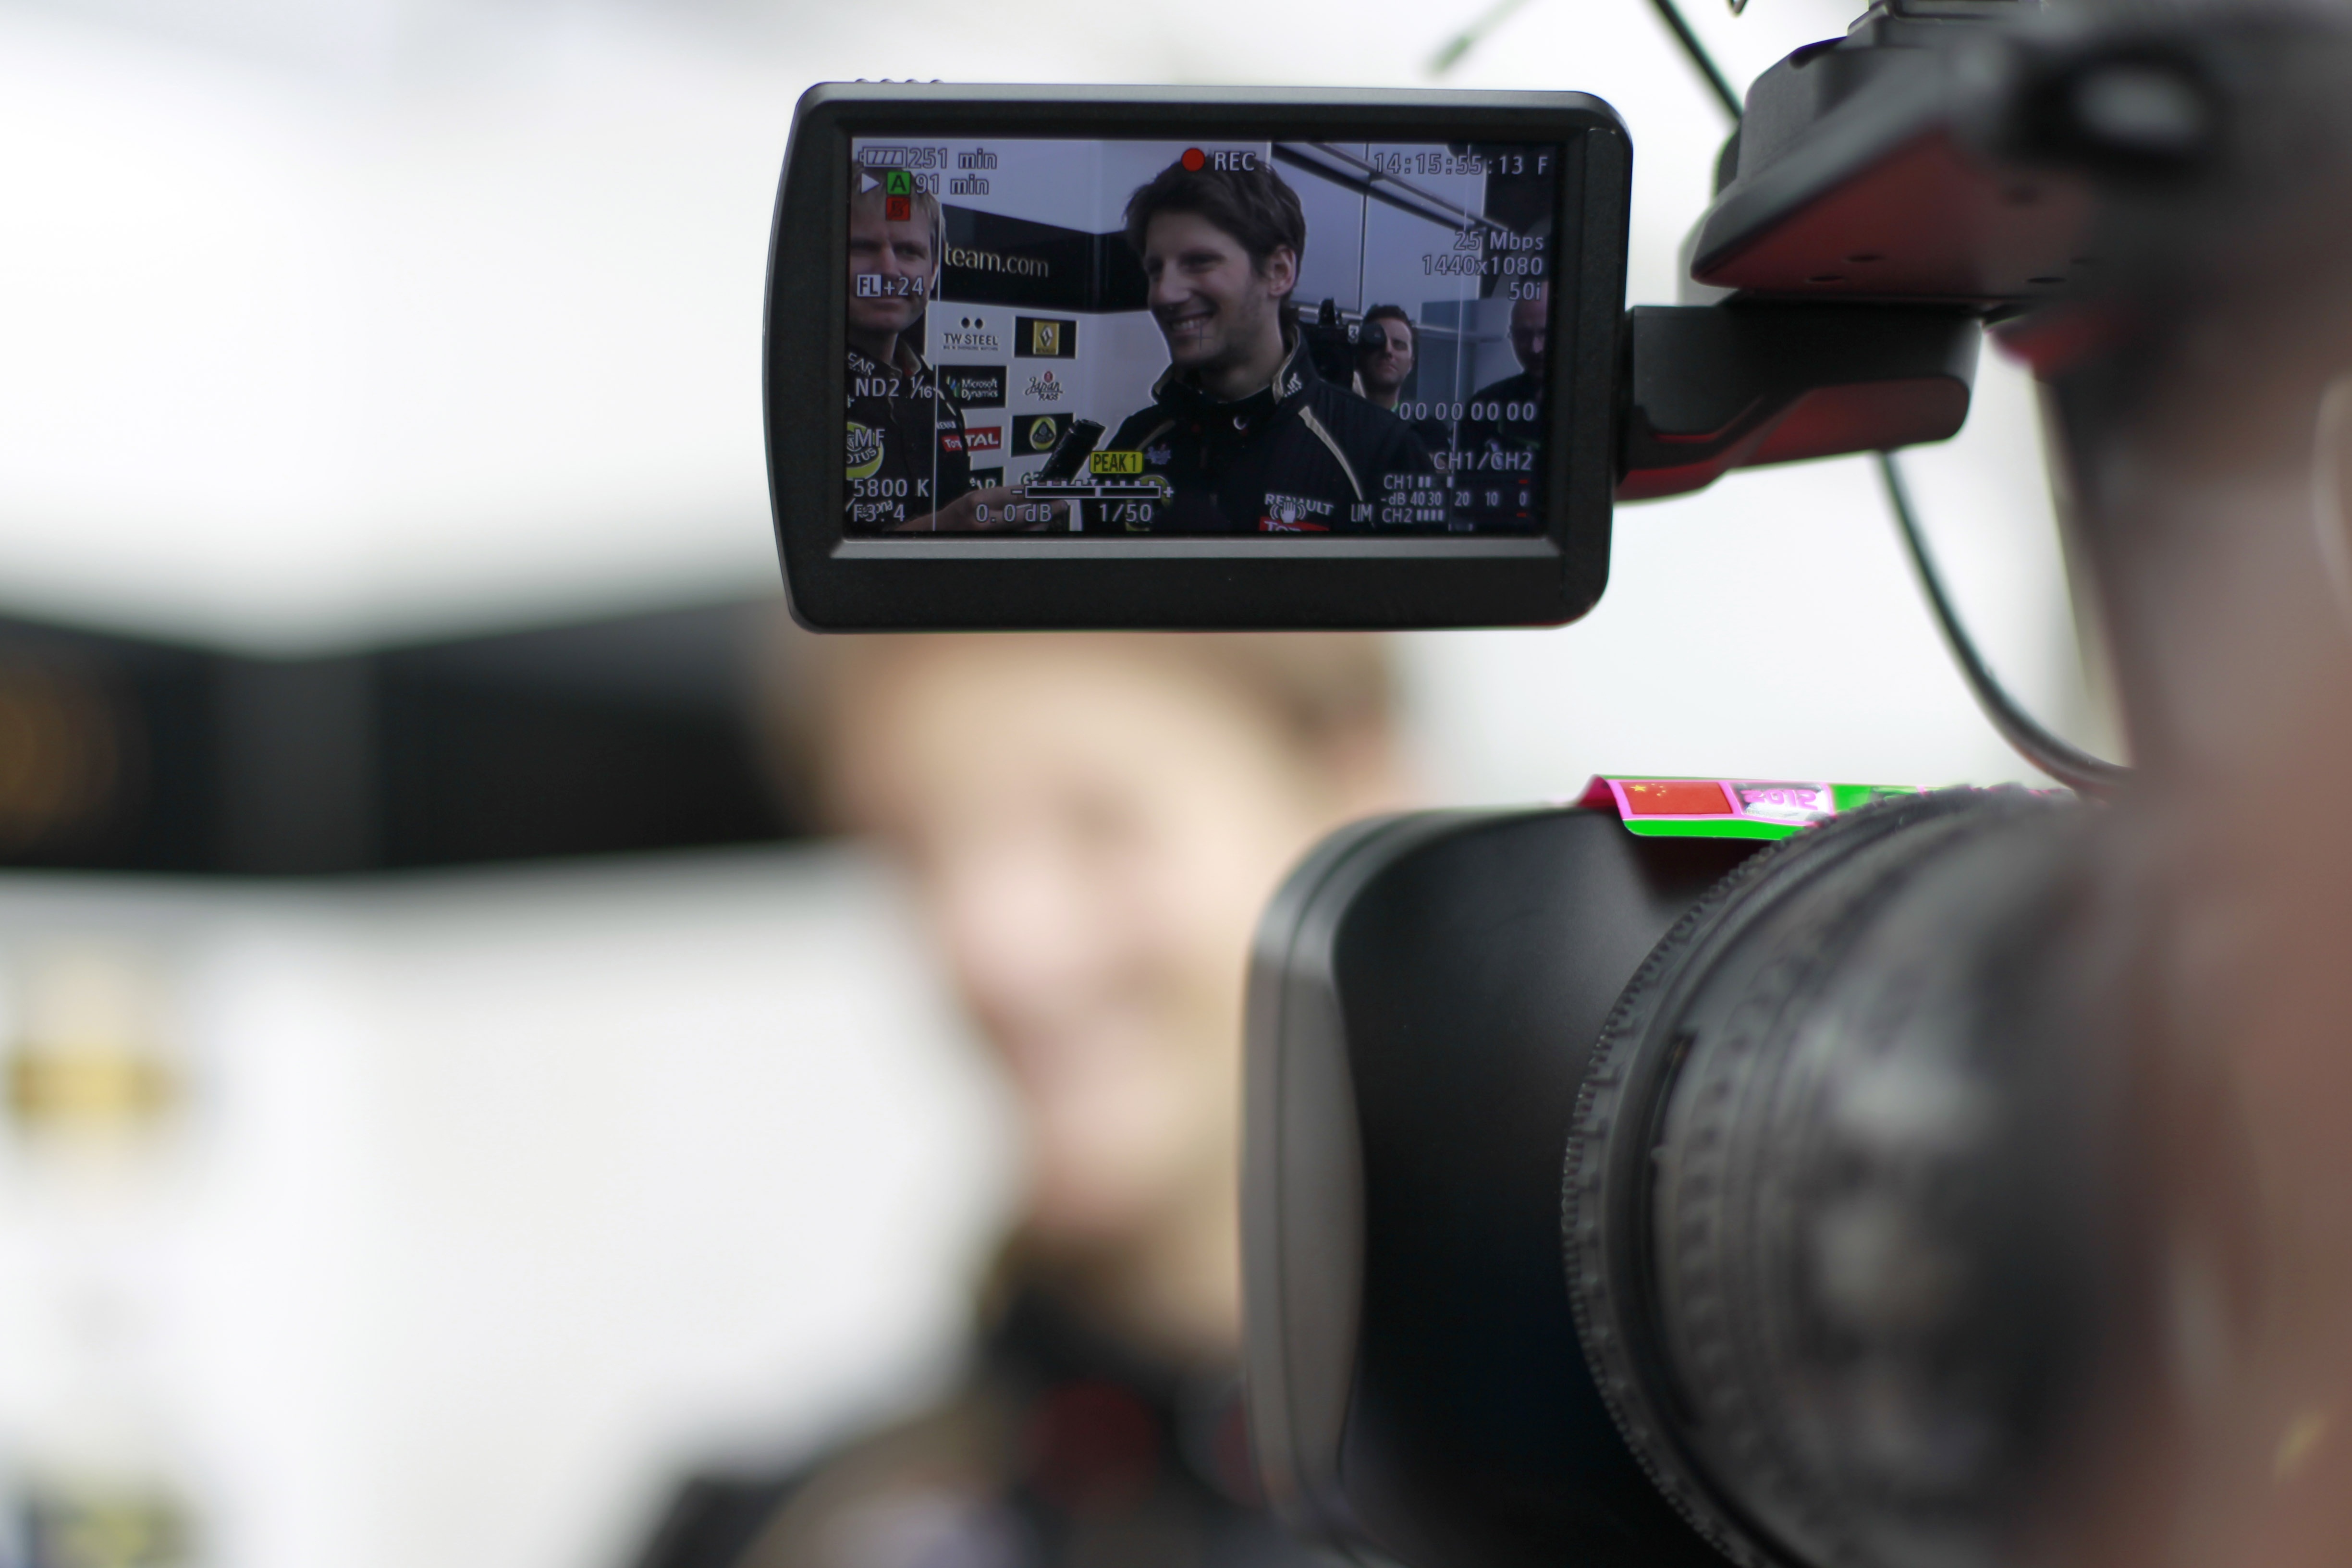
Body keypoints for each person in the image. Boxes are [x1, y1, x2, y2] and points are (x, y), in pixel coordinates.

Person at [632, 630, 1414, 1568]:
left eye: (1097, 821)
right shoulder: (789, 1534)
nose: (995, 948)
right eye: (914, 849)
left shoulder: (1555, 1492)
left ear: (1356, 789)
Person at [1099, 158, 1438, 533]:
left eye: (1199, 262)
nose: (1165, 293)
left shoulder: (1382, 451)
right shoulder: (1133, 442)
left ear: (1279, 272)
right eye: (1155, 270)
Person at [845, 164, 1049, 533]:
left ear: (934, 272)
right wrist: (946, 529)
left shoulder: (936, 393)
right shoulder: (795, 392)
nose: (889, 270)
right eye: (862, 247)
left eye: (908, 251)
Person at [1455, 282, 1548, 529]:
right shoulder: (1485, 405)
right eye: (1524, 336)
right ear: (1512, 335)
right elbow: (1463, 497)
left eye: (1545, 333)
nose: (1535, 348)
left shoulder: (1593, 410)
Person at [1352, 304, 1453, 458]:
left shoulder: (1428, 433)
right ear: (1360, 353)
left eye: (1399, 345)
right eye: (1378, 341)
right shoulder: (1337, 419)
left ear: (1411, 363)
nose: (1388, 351)